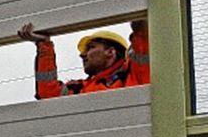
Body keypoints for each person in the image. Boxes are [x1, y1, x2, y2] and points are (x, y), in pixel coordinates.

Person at [17, 20, 149, 100]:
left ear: (110, 52)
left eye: (90, 48)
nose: (82, 55)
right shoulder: (78, 88)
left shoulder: (134, 74)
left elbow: (142, 33)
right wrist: (44, 44)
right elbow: (48, 94)